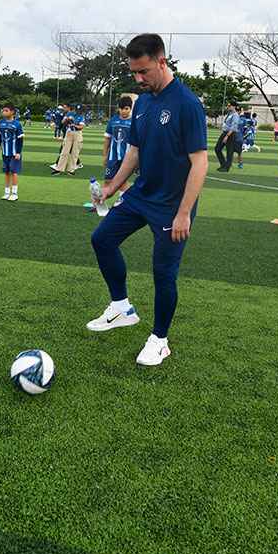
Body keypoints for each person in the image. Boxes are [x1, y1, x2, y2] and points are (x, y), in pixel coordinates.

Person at [88, 34, 208, 367]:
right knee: (102, 239)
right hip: (142, 194)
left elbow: (200, 162)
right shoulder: (143, 103)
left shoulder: (187, 103)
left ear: (162, 62)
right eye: (134, 73)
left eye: (144, 72)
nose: (139, 80)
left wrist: (185, 213)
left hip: (173, 205)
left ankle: (160, 339)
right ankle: (121, 307)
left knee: (163, 272)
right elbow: (135, 151)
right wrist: (113, 187)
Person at [103, 96, 134, 197]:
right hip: (113, 157)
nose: (123, 111)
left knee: (122, 182)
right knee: (107, 180)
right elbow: (107, 138)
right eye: (121, 109)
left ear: (130, 108)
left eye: (126, 109)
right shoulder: (113, 120)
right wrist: (105, 156)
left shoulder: (134, 122)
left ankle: (125, 201)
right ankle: (99, 203)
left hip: (127, 158)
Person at [0, 104, 24, 201]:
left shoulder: (17, 124)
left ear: (12, 112)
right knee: (7, 172)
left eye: (6, 110)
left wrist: (18, 152)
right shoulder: (1, 123)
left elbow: (20, 139)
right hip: (5, 152)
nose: (4, 112)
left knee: (14, 172)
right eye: (3, 110)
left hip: (14, 153)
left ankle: (14, 193)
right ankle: (7, 192)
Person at [51, 104, 85, 175]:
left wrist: (74, 125)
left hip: (77, 133)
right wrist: (67, 119)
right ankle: (59, 169)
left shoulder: (81, 116)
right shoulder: (70, 113)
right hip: (69, 133)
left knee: (75, 152)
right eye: (77, 110)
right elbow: (63, 122)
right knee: (64, 151)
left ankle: (71, 170)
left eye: (79, 110)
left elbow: (81, 127)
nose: (78, 111)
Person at [214, 102, 239, 171]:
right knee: (217, 148)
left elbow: (234, 127)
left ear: (233, 107)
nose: (228, 107)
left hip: (230, 134)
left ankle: (226, 167)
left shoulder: (235, 115)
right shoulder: (229, 114)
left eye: (229, 106)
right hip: (225, 133)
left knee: (229, 151)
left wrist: (227, 136)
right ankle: (223, 164)